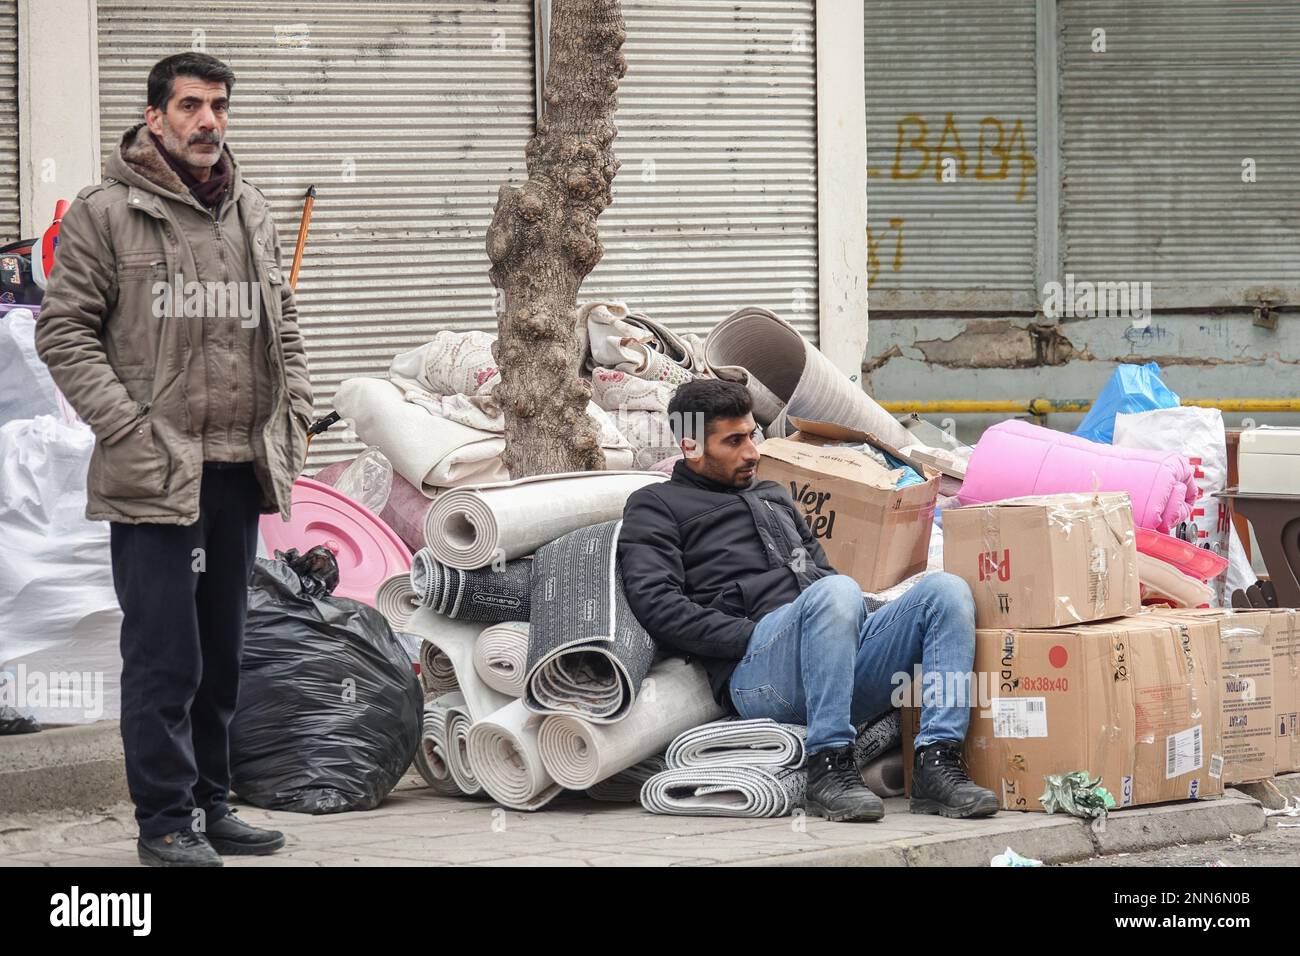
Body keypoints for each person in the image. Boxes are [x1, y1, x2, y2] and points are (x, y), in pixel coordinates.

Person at [35, 52, 314, 866]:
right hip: (155, 475)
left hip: (236, 467)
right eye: (190, 105)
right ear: (154, 117)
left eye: (219, 106)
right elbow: (64, 331)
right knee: (166, 657)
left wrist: (292, 409)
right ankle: (163, 822)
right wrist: (126, 427)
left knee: (223, 652)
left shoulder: (250, 209)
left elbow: (282, 322)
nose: (207, 122)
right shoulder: (105, 212)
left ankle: (211, 805)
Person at [618, 379, 997, 822]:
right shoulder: (656, 505)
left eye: (752, 436)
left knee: (945, 590)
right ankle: (829, 766)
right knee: (836, 592)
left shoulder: (773, 495)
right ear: (691, 447)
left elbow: (822, 576)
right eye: (733, 441)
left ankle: (938, 763)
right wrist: (751, 633)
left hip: (833, 664)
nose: (752, 453)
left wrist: (865, 620)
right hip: (759, 675)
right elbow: (657, 604)